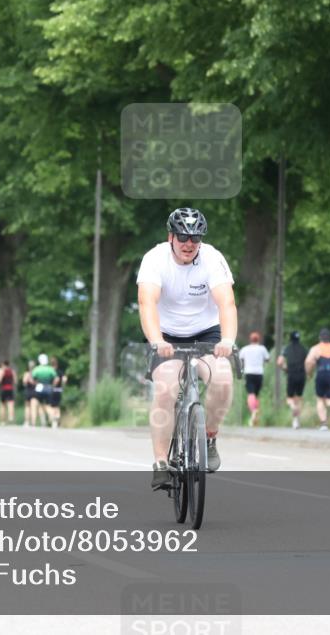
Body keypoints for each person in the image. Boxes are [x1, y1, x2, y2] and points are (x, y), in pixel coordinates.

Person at [137, 208, 237, 490]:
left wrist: (228, 340)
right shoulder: (154, 259)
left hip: (206, 331)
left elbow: (227, 303)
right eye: (182, 237)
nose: (188, 244)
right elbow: (147, 303)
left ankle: (210, 437)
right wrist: (157, 341)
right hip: (166, 334)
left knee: (223, 380)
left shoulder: (212, 258)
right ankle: (160, 463)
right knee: (166, 388)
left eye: (195, 238)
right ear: (171, 237)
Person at [239, 331, 270, 427]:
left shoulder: (245, 349)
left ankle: (253, 411)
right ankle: (255, 414)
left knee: (250, 393)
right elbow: (268, 359)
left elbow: (240, 358)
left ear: (250, 340)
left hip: (249, 372)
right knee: (256, 394)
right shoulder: (262, 348)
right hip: (259, 373)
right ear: (258, 339)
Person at [277, 331, 307, 429]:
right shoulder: (304, 349)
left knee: (290, 398)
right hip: (301, 375)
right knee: (298, 398)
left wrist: (285, 368)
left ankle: (293, 408)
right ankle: (296, 421)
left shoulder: (287, 348)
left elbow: (279, 362)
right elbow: (308, 361)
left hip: (291, 374)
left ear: (290, 338)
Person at [32, 354, 56, 427]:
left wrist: (36, 384)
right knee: (48, 405)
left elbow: (33, 379)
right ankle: (53, 418)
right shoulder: (50, 369)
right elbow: (55, 378)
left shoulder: (37, 369)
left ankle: (43, 421)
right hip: (48, 387)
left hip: (39, 387)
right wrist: (52, 385)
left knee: (40, 404)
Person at [0, 360, 15, 425]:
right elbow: (15, 380)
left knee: (2, 405)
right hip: (10, 388)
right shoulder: (12, 371)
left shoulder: (0, 370)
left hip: (3, 388)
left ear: (3, 364)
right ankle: (10, 417)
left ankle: (2, 421)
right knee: (11, 404)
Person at [48, 357, 66, 429]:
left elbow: (56, 379)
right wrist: (63, 386)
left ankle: (54, 420)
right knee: (57, 405)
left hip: (53, 389)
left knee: (52, 406)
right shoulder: (60, 372)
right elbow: (64, 379)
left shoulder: (51, 371)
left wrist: (53, 385)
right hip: (59, 389)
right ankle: (58, 418)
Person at [21, 360, 37, 427]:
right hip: (35, 391)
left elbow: (24, 382)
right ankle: (33, 422)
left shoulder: (27, 373)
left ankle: (27, 422)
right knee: (34, 407)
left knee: (27, 407)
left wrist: (28, 380)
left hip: (28, 390)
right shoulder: (36, 373)